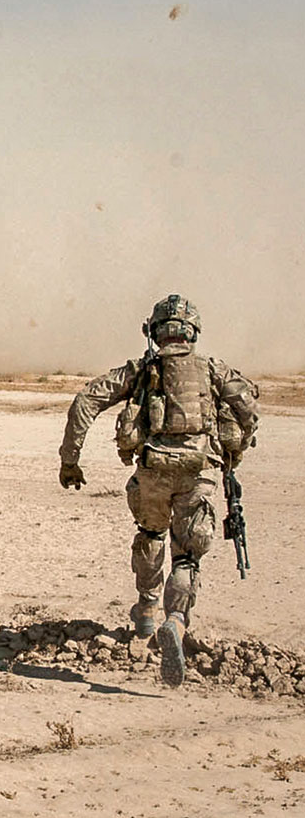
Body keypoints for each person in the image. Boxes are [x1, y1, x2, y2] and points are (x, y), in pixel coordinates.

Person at [58, 294, 259, 686]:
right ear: (193, 332)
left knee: (151, 535)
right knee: (186, 557)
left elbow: (87, 400)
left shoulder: (139, 370)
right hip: (198, 471)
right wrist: (238, 450)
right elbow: (247, 408)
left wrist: (70, 459)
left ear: (153, 331)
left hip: (151, 470)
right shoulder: (214, 370)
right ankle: (177, 622)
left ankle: (146, 616)